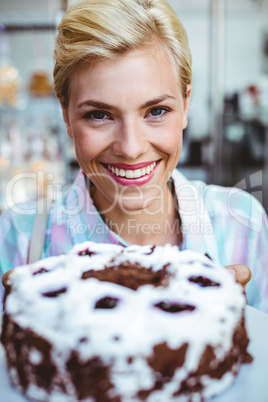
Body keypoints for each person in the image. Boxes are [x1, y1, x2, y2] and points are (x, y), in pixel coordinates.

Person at [0, 0, 267, 312]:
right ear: (66, 114)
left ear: (186, 105)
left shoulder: (242, 225)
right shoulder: (19, 238)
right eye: (99, 114)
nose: (130, 148)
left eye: (156, 111)